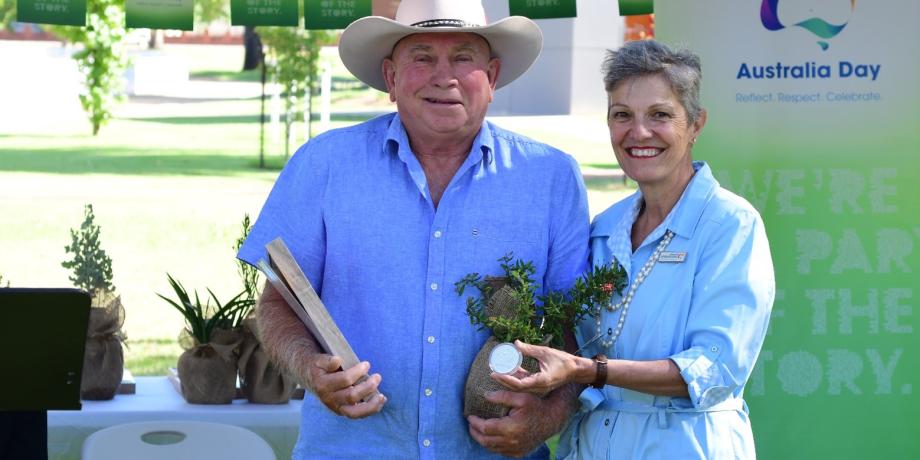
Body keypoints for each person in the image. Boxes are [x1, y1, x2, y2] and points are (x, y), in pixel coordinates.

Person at [237, 0, 589, 458]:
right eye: (422, 57)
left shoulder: (552, 178)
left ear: (493, 77)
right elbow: (278, 303)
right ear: (390, 78)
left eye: (463, 58)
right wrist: (310, 368)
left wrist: (546, 419)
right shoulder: (323, 165)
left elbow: (575, 330)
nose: (445, 77)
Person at [491, 40, 775, 459]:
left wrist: (591, 372)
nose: (638, 132)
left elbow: (716, 369)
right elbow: (577, 339)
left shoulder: (730, 225)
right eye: (622, 115)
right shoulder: (605, 228)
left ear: (696, 124)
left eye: (660, 115)